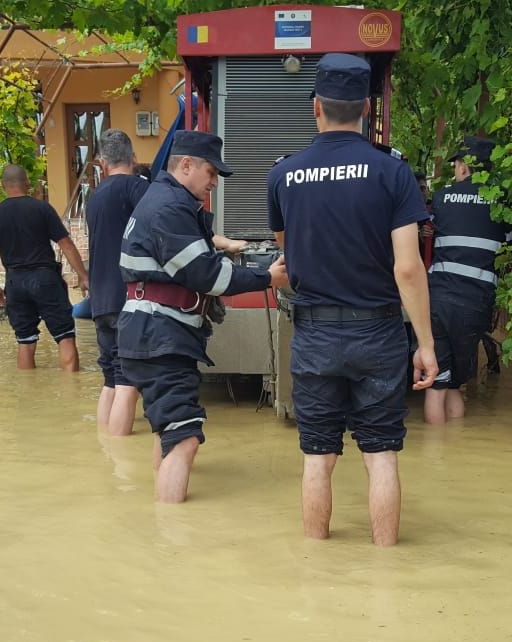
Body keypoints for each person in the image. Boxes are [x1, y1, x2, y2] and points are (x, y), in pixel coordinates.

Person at [266, 53, 437, 546]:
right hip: (379, 334)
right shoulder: (392, 173)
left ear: (315, 106)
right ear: (366, 106)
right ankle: (386, 570)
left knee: (317, 456)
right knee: (380, 454)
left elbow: (288, 255)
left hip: (315, 334)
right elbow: (407, 267)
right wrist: (425, 343)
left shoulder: (283, 176)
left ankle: (315, 567)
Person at [117, 131, 287, 503]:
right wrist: (267, 277)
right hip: (159, 336)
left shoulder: (163, 199)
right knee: (186, 437)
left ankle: (156, 520)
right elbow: (208, 276)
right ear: (186, 165)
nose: (213, 183)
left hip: (148, 333)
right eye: (211, 173)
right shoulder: (169, 207)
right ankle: (172, 537)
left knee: (169, 430)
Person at [422, 136, 512, 424]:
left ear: (463, 167)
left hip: (437, 299)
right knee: (456, 387)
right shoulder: (502, 203)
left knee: (436, 384)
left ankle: (434, 454)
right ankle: (450, 450)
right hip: (475, 304)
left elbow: (425, 235)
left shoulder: (440, 199)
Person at [0, 165, 90, 371]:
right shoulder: (42, 208)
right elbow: (66, 244)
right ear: (27, 184)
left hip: (15, 282)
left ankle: (27, 395)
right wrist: (83, 275)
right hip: (45, 278)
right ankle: (71, 390)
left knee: (25, 341)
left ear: (3, 185)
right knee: (65, 337)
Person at [88, 130, 150, 435]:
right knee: (129, 380)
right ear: (134, 159)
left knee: (111, 376)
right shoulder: (137, 188)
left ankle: (105, 446)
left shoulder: (94, 196)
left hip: (100, 299)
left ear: (102, 163)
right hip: (129, 297)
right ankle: (120, 455)